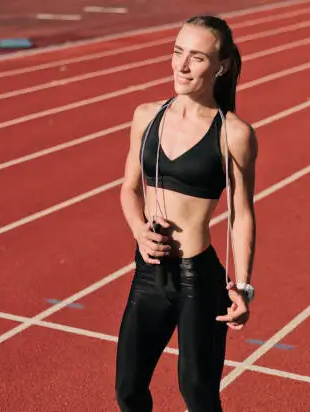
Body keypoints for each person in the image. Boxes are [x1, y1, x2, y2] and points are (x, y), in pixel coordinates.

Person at [115, 14, 258, 412]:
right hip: (149, 274)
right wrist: (139, 231)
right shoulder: (146, 116)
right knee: (128, 390)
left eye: (196, 58)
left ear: (221, 66)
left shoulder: (234, 133)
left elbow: (241, 214)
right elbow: (129, 189)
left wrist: (243, 286)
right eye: (178, 53)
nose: (181, 66)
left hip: (199, 280)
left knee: (198, 394)